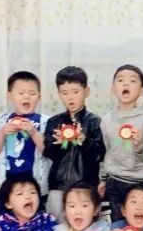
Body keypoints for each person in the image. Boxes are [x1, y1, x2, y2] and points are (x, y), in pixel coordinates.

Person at [44, 66, 105, 220]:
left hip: (86, 186)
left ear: (87, 91)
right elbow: (48, 153)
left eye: (75, 92)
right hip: (58, 186)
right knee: (56, 225)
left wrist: (83, 141)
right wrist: (59, 144)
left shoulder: (95, 122)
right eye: (65, 93)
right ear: (59, 93)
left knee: (84, 226)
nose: (70, 97)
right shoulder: (54, 122)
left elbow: (100, 154)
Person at [100, 65, 143, 221]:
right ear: (113, 89)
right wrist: (103, 179)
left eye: (132, 81)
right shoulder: (106, 120)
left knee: (141, 227)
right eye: (120, 80)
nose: (126, 84)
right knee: (116, 227)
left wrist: (139, 145)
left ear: (141, 90)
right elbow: (107, 152)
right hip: (114, 182)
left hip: (140, 183)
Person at [0, 71, 51, 213]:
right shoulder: (1, 120)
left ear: (39, 97)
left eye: (32, 93)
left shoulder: (46, 121)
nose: (26, 97)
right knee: (6, 221)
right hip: (6, 183)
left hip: (35, 183)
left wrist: (33, 132)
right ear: (9, 95)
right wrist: (2, 132)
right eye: (21, 93)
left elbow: (48, 151)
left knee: (35, 220)